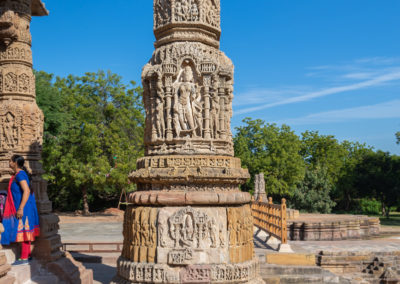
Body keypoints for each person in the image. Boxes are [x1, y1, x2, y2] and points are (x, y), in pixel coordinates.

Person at [1, 155, 40, 265]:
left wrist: (21, 208)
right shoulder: (18, 175)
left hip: (23, 208)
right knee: (24, 231)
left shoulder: (20, 175)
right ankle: (27, 255)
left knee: (24, 231)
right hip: (22, 207)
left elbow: (26, 191)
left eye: (10, 161)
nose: (9, 162)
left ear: (15, 163)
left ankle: (24, 258)